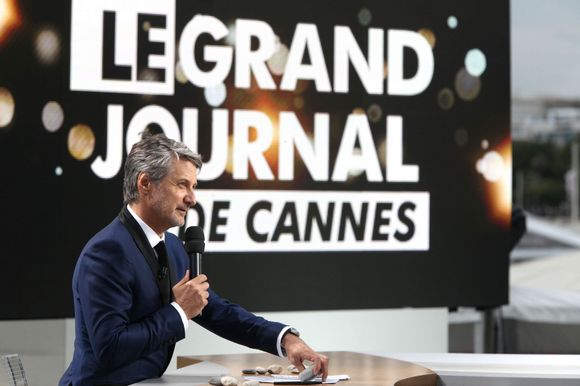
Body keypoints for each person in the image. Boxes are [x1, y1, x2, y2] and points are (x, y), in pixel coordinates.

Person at [60, 133, 328, 386]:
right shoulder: (108, 251)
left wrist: (285, 340)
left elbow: (219, 312)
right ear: (145, 184)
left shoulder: (174, 248)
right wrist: (178, 311)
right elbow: (111, 348)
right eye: (181, 185)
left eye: (194, 186)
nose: (192, 198)